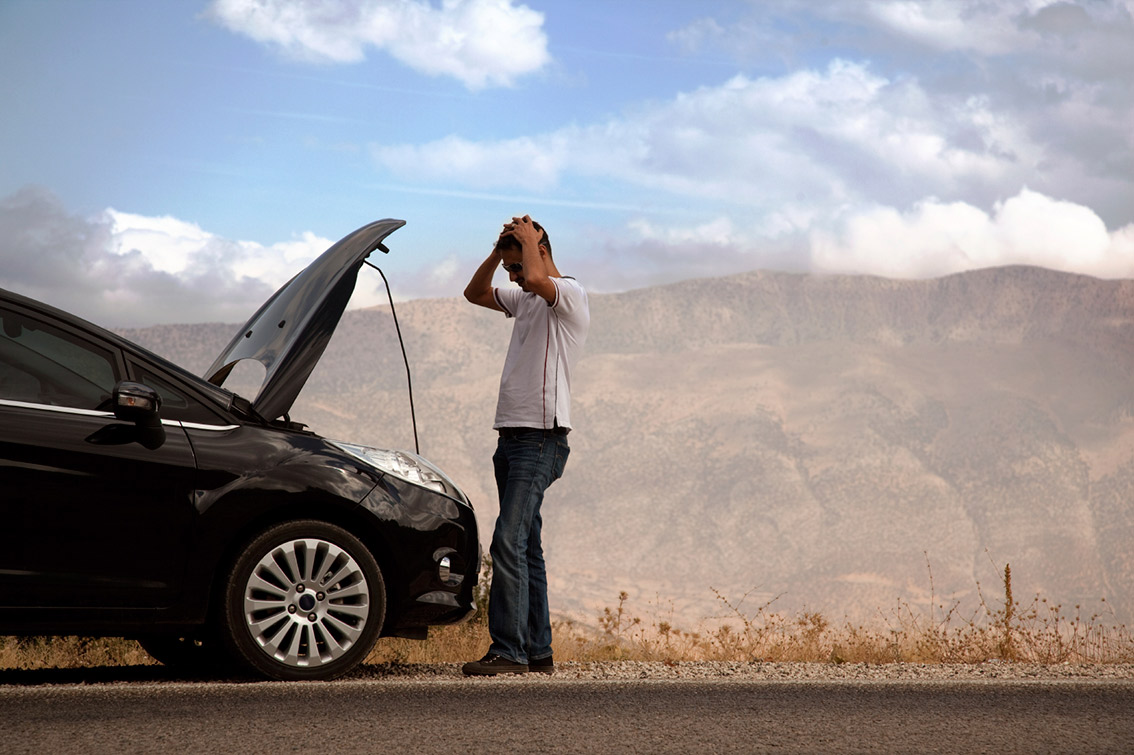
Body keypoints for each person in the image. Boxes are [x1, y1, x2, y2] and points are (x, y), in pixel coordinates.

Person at [461, 215, 590, 676]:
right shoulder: (525, 299)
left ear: (541, 250)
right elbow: (474, 293)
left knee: (507, 540)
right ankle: (538, 652)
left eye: (517, 268)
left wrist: (529, 244)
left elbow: (537, 276)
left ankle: (508, 650)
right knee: (527, 545)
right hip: (512, 436)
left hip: (541, 437)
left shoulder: (567, 294)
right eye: (510, 271)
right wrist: (499, 254)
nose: (514, 278)